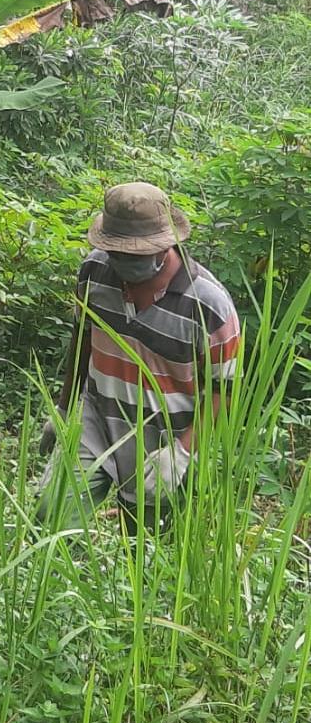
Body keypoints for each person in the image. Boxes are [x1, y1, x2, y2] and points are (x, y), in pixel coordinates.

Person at [38, 182, 240, 533]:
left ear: (165, 244)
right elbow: (81, 342)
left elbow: (224, 392)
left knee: (147, 550)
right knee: (52, 516)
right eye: (118, 252)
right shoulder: (94, 272)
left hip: (162, 442)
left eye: (137, 253)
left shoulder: (209, 306)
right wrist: (64, 407)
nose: (125, 262)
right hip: (98, 419)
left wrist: (182, 452)